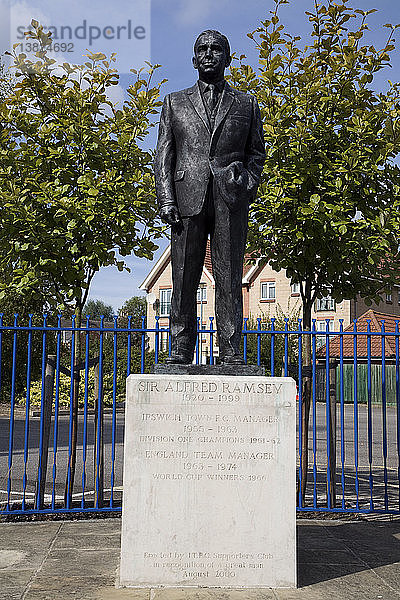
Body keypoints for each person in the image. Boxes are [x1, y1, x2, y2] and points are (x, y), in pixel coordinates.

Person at [154, 29, 265, 365]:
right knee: (184, 275)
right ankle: (181, 346)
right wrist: (166, 199)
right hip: (186, 197)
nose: (209, 54)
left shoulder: (247, 103)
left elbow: (256, 154)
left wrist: (246, 182)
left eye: (216, 49)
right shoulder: (174, 101)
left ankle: (230, 349)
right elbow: (163, 155)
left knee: (230, 275)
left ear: (227, 59)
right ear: (193, 59)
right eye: (202, 49)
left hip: (230, 197)